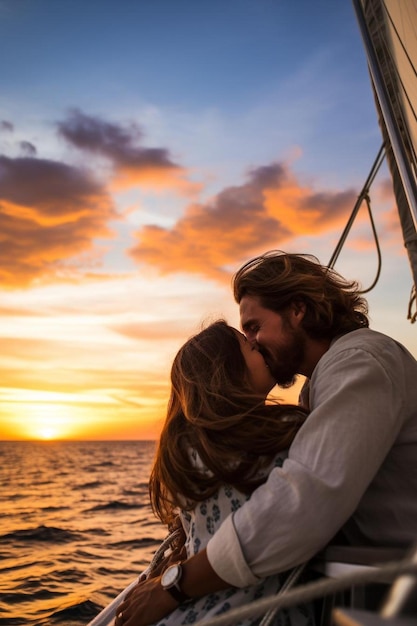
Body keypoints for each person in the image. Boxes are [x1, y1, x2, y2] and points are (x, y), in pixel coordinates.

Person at [116, 251, 417, 626]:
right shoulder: (326, 381)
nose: (252, 342)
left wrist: (176, 586)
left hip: (396, 590)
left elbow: (302, 501)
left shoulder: (361, 361)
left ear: (298, 311)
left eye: (254, 326)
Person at [115, 319, 314, 626]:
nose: (258, 344)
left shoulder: (185, 449)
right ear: (229, 369)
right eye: (249, 347)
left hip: (188, 610)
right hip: (262, 613)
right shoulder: (284, 429)